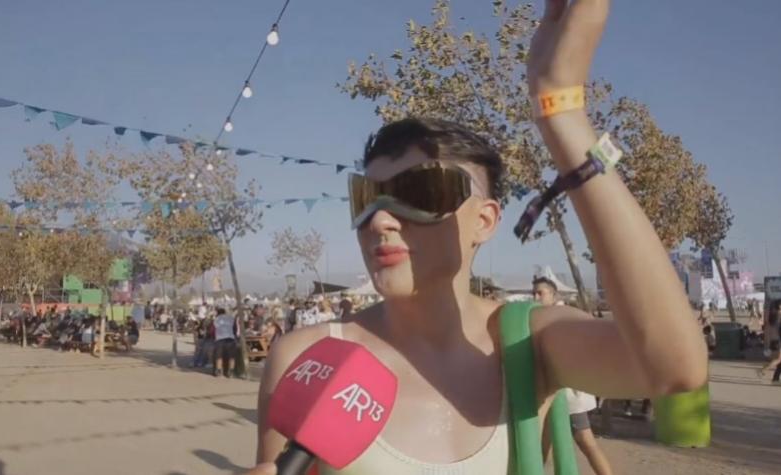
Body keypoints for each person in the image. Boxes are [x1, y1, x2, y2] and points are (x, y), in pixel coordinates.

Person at [251, 1, 707, 473]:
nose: (381, 221)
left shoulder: (527, 342)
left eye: (420, 193)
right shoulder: (309, 357)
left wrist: (561, 110)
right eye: (366, 198)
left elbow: (674, 367)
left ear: (485, 221)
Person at [532, 270, 613, 475]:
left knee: (586, 441)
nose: (535, 297)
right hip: (549, 395)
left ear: (553, 295)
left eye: (540, 293)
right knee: (542, 445)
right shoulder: (539, 318)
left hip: (569, 395)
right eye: (533, 293)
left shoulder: (562, 318)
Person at [212, 307, 238, 378]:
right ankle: (231, 371)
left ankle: (218, 370)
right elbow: (235, 328)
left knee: (219, 356)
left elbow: (213, 330)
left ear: (218, 313)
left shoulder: (216, 319)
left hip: (220, 338)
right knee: (231, 356)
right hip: (230, 338)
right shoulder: (231, 318)